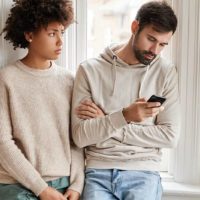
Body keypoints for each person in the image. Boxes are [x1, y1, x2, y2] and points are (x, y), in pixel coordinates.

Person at [72, 1, 180, 200]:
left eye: (163, 44)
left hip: (144, 172)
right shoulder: (89, 71)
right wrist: (125, 116)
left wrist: (110, 121)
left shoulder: (165, 72)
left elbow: (169, 136)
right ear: (134, 27)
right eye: (151, 39)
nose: (155, 51)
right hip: (98, 172)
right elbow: (80, 137)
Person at [0, 0, 84, 199]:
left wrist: (77, 185)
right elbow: (2, 142)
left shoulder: (69, 80)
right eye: (52, 33)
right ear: (29, 35)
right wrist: (42, 189)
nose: (60, 42)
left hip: (64, 184)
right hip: (16, 184)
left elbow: (76, 139)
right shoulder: (6, 79)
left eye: (62, 32)